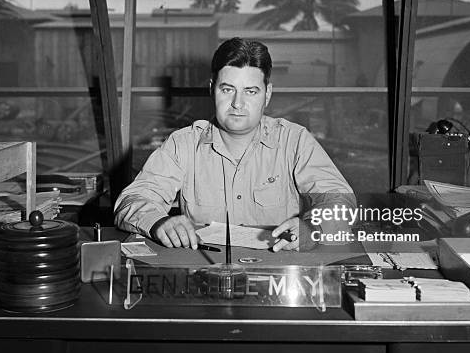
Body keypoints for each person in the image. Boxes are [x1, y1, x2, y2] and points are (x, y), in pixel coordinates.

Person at [114, 37, 356, 252]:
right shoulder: (183, 144)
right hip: (206, 276)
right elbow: (134, 199)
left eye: (251, 91)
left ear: (267, 94)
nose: (238, 103)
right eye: (227, 89)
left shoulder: (295, 141)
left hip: (280, 276)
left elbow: (340, 201)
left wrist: (313, 227)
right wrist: (158, 222)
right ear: (212, 90)